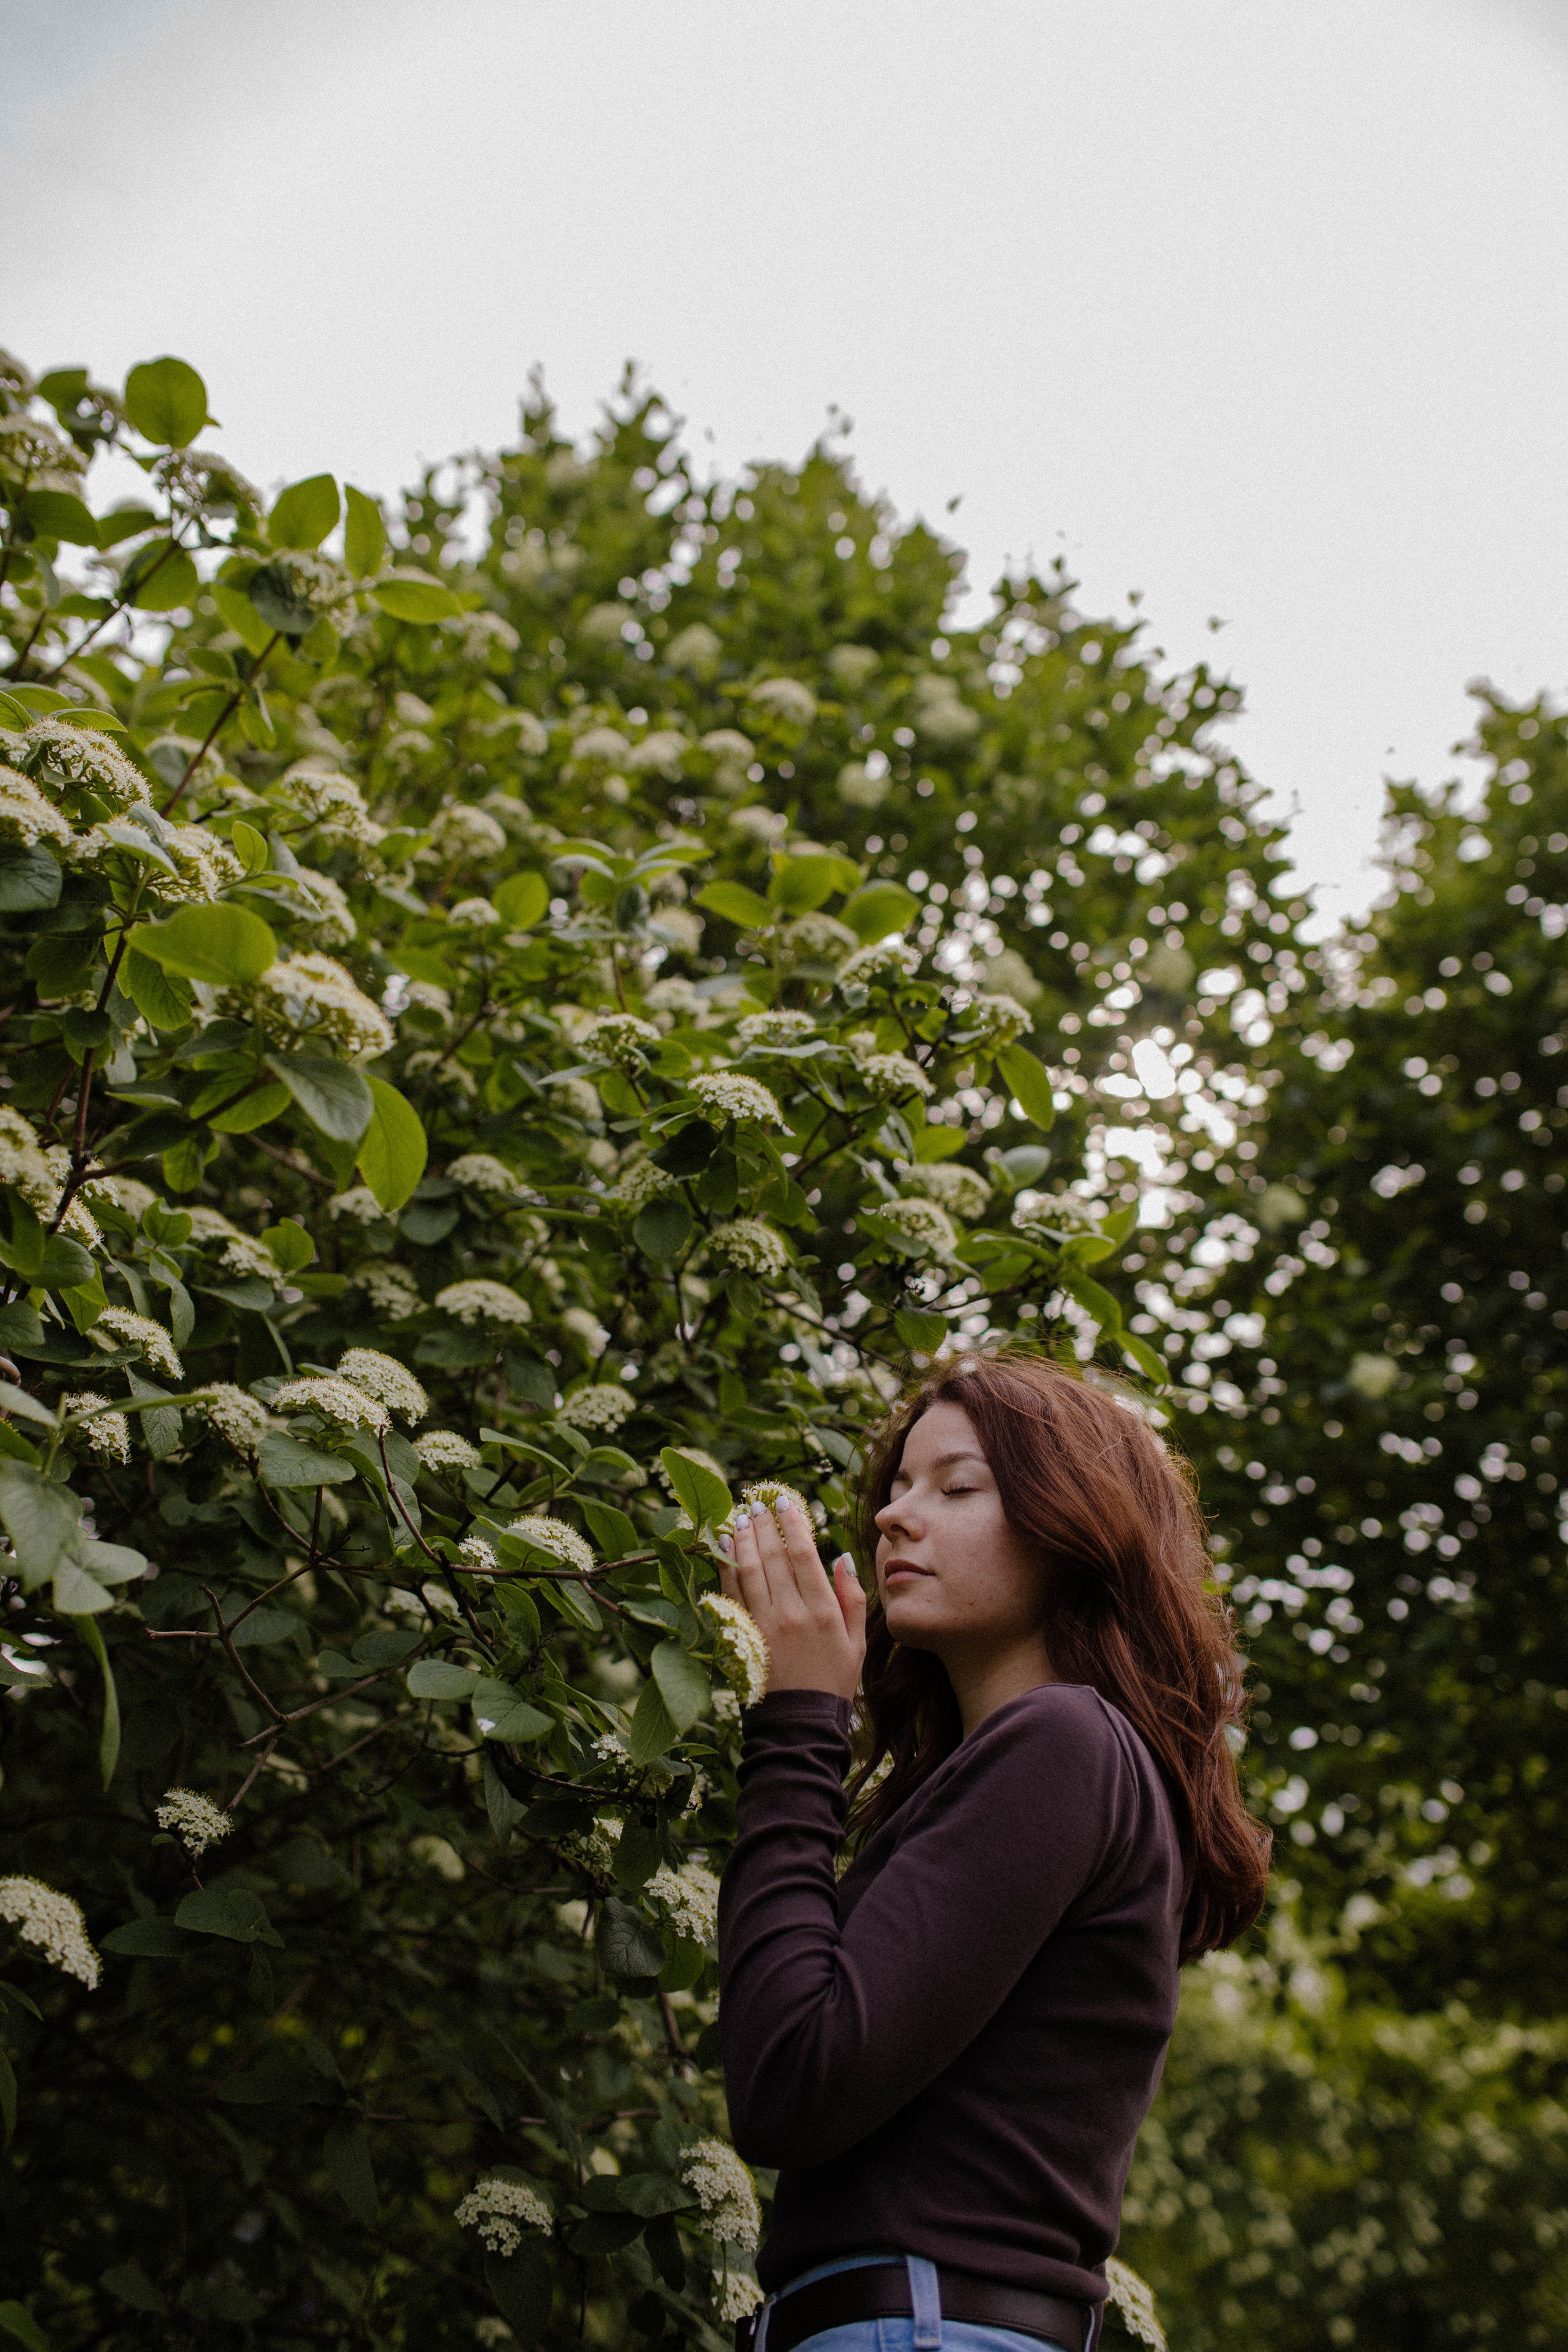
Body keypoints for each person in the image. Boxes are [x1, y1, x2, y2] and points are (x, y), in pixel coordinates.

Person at [715, 1349, 1272, 2352]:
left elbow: (792, 2077)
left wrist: (798, 1725)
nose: (892, 1515)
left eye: (957, 1486)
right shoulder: (1024, 1772)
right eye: (896, 1489)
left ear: (1073, 1526)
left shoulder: (1064, 1743)